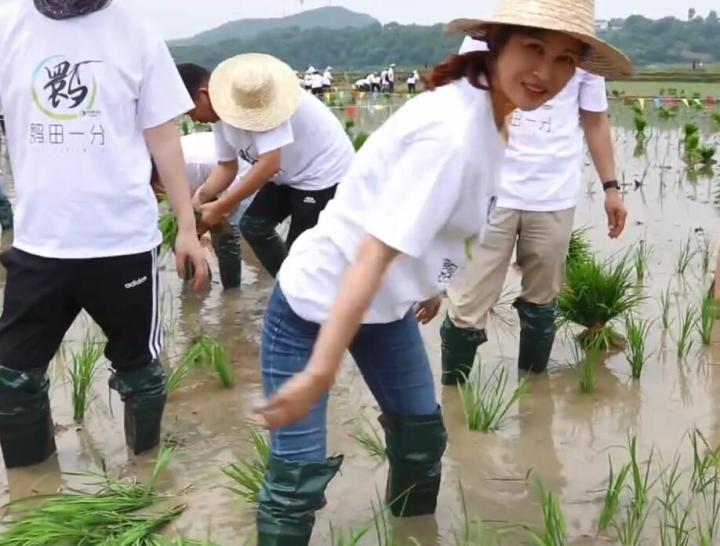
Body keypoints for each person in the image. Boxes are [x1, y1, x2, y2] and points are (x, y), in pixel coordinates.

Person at [251, 1, 631, 544]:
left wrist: (427, 286)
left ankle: (412, 535)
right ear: (494, 43)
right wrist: (319, 371)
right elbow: (372, 258)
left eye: (566, 59)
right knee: (299, 479)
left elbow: (441, 228)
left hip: (385, 308)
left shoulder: (492, 112)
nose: (547, 72)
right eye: (534, 49)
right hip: (315, 308)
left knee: (421, 441)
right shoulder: (454, 134)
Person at [0, 0, 208, 470]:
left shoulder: (134, 31)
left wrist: (188, 230)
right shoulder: (7, 26)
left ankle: (146, 480)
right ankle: (35, 497)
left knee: (140, 374)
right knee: (11, 378)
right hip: (40, 244)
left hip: (122, 245)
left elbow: (164, 137)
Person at [440, 36, 628, 383]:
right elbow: (458, 107)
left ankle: (533, 392)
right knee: (466, 304)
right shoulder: (486, 40)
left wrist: (611, 188)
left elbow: (595, 121)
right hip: (488, 192)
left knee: (541, 303)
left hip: (553, 195)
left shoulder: (581, 52)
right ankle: (453, 395)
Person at [177, 56, 354, 279]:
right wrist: (198, 201)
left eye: (190, 111)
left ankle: (297, 289)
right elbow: (226, 167)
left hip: (320, 174)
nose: (192, 119)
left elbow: (270, 163)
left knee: (303, 253)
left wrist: (221, 207)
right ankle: (288, 287)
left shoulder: (257, 101)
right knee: (253, 226)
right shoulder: (220, 115)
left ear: (203, 94)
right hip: (286, 176)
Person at [152, 132, 255, 289]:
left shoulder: (177, 168)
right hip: (214, 170)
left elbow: (225, 205)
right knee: (181, 233)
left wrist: (198, 225)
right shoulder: (159, 165)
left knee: (223, 231)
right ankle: (199, 285)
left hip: (239, 173)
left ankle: (230, 292)